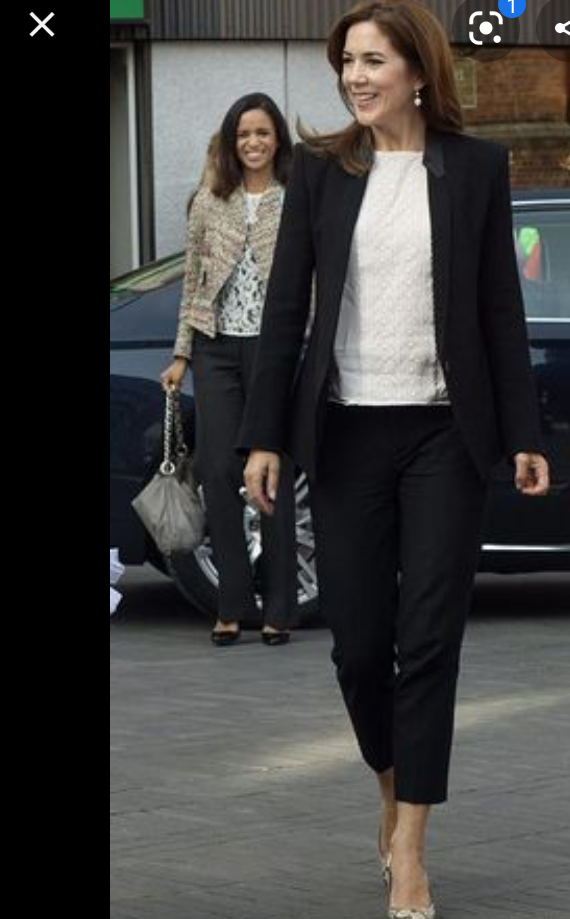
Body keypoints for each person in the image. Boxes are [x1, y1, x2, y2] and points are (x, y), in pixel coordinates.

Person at [241, 0, 550, 919]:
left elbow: (499, 307)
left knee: (431, 640)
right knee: (359, 646)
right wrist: (264, 435)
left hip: (444, 434)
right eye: (347, 62)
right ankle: (390, 784)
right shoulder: (321, 171)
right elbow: (286, 307)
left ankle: (411, 841)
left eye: (373, 60)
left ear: (418, 69)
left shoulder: (476, 168)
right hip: (346, 433)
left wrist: (524, 431)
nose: (355, 77)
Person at [161, 93, 299, 648]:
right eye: (243, 135)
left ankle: (281, 608)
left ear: (277, 138)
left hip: (275, 349)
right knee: (217, 470)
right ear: (230, 141)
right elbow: (193, 280)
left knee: (274, 473)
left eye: (262, 133)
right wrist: (182, 354)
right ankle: (232, 603)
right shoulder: (209, 200)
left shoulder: (296, 196)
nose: (253, 143)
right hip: (216, 348)